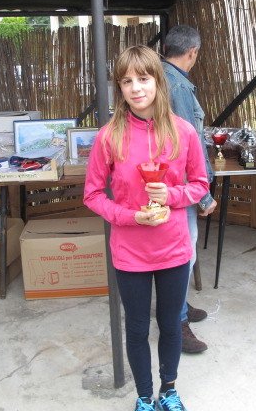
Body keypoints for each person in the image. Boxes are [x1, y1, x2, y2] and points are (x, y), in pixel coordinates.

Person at [84, 45, 210, 411]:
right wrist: (130, 216)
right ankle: (143, 397)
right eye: (127, 81)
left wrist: (172, 195)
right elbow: (93, 195)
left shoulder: (183, 131)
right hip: (130, 250)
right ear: (119, 88)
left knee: (170, 324)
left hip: (173, 248)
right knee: (137, 327)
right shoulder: (109, 136)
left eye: (143, 78)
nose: (136, 88)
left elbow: (200, 185)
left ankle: (168, 390)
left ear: (158, 81)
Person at [161, 25, 217, 354]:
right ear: (192, 53)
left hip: (164, 182)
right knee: (183, 254)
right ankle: (177, 321)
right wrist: (204, 193)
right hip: (179, 186)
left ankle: (178, 306)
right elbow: (189, 144)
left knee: (175, 252)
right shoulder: (178, 85)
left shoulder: (158, 76)